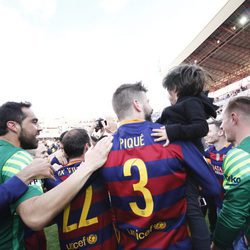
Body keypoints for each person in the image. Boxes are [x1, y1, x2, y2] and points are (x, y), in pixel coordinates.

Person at [101, 82, 220, 249]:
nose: (150, 105)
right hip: (176, 244)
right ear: (137, 104)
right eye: (147, 101)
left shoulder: (103, 150)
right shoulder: (169, 137)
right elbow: (213, 187)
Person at [0, 101, 113, 250]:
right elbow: (34, 216)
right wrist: (89, 166)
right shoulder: (18, 158)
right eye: (34, 122)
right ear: (13, 126)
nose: (39, 128)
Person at [152, 64, 218, 250]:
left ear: (176, 88)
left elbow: (201, 127)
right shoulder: (180, 106)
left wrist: (171, 132)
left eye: (169, 90)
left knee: (192, 209)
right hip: (177, 163)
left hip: (187, 162)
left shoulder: (191, 102)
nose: (168, 95)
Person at [44, 128, 117, 249]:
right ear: (87, 147)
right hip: (103, 243)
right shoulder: (99, 171)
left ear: (65, 152)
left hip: (70, 244)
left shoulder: (52, 178)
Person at [212, 96, 250, 250]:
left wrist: (217, 244)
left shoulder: (239, 156)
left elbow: (232, 214)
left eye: (222, 120)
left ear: (234, 118)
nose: (221, 125)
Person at [204, 119, 233, 238]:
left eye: (209, 131)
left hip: (233, 204)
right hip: (219, 203)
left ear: (221, 132)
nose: (206, 134)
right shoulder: (209, 152)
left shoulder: (233, 151)